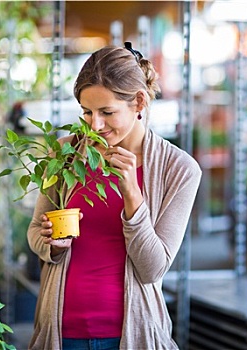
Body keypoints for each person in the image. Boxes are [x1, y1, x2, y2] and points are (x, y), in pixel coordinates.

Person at [27, 42, 202, 350]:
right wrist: (50, 245)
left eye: (107, 112)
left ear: (139, 102)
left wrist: (133, 196)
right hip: (61, 332)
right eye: (87, 112)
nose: (95, 125)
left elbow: (152, 269)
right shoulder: (66, 152)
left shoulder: (179, 169)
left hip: (132, 335)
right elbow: (35, 231)